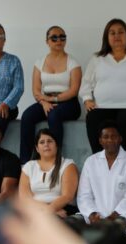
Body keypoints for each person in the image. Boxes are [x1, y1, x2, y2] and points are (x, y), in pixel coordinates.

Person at [80, 18, 126, 153]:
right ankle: (98, 160)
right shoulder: (97, 58)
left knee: (125, 120)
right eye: (112, 33)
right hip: (102, 106)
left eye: (120, 32)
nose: (117, 36)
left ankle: (121, 163)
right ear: (106, 37)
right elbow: (86, 83)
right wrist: (87, 99)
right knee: (92, 117)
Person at [19, 26, 81, 163]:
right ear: (47, 41)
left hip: (69, 102)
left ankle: (56, 159)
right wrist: (44, 102)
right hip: (45, 101)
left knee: (54, 114)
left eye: (62, 37)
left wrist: (54, 99)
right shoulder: (39, 62)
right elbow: (36, 90)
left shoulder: (73, 62)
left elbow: (74, 90)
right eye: (54, 37)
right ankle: (25, 162)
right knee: (27, 116)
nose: (58, 40)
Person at [77, 121, 126, 226]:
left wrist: (113, 216)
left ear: (120, 138)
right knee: (71, 223)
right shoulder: (91, 161)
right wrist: (92, 214)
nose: (110, 140)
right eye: (105, 137)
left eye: (113, 136)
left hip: (122, 215)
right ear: (100, 141)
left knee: (114, 227)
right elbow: (84, 195)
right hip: (94, 215)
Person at [19, 128, 79, 217]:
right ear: (37, 148)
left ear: (56, 146)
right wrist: (45, 211)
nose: (46, 144)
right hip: (35, 211)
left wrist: (50, 210)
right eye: (42, 142)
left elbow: (67, 196)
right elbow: (25, 198)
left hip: (62, 209)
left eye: (50, 141)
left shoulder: (68, 165)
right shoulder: (29, 166)